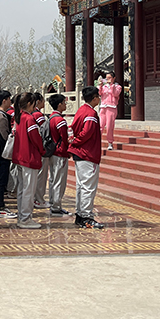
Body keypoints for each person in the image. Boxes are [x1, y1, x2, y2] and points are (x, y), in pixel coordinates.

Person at [69, 86, 104, 229]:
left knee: (81, 186)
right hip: (87, 153)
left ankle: (80, 215)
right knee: (88, 187)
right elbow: (86, 133)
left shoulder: (81, 110)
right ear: (94, 98)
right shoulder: (91, 113)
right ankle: (86, 216)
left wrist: (73, 142)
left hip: (80, 153)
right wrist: (75, 142)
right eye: (98, 96)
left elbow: (74, 128)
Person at [11, 93, 44, 229]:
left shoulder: (18, 117)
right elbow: (36, 139)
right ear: (30, 104)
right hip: (29, 158)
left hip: (19, 157)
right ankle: (25, 218)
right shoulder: (29, 119)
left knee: (22, 189)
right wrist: (42, 150)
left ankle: (22, 216)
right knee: (28, 190)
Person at [0, 90, 16, 219]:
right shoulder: (0, 117)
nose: (10, 102)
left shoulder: (0, 115)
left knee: (1, 180)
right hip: (2, 154)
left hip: (1, 153)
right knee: (0, 180)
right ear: (4, 100)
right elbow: (4, 137)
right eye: (9, 99)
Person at [47, 93, 71, 217]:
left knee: (53, 179)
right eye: (64, 102)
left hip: (52, 152)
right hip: (60, 152)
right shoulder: (60, 120)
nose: (65, 105)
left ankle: (53, 202)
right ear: (59, 104)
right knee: (59, 180)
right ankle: (56, 206)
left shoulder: (51, 118)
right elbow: (64, 138)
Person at [99, 72, 123, 150]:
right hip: (103, 107)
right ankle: (97, 142)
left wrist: (111, 85)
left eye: (109, 78)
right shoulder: (104, 86)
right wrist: (100, 86)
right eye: (106, 78)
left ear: (113, 78)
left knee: (109, 126)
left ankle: (110, 142)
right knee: (100, 125)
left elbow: (115, 94)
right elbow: (99, 93)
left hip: (111, 107)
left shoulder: (118, 87)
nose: (108, 79)